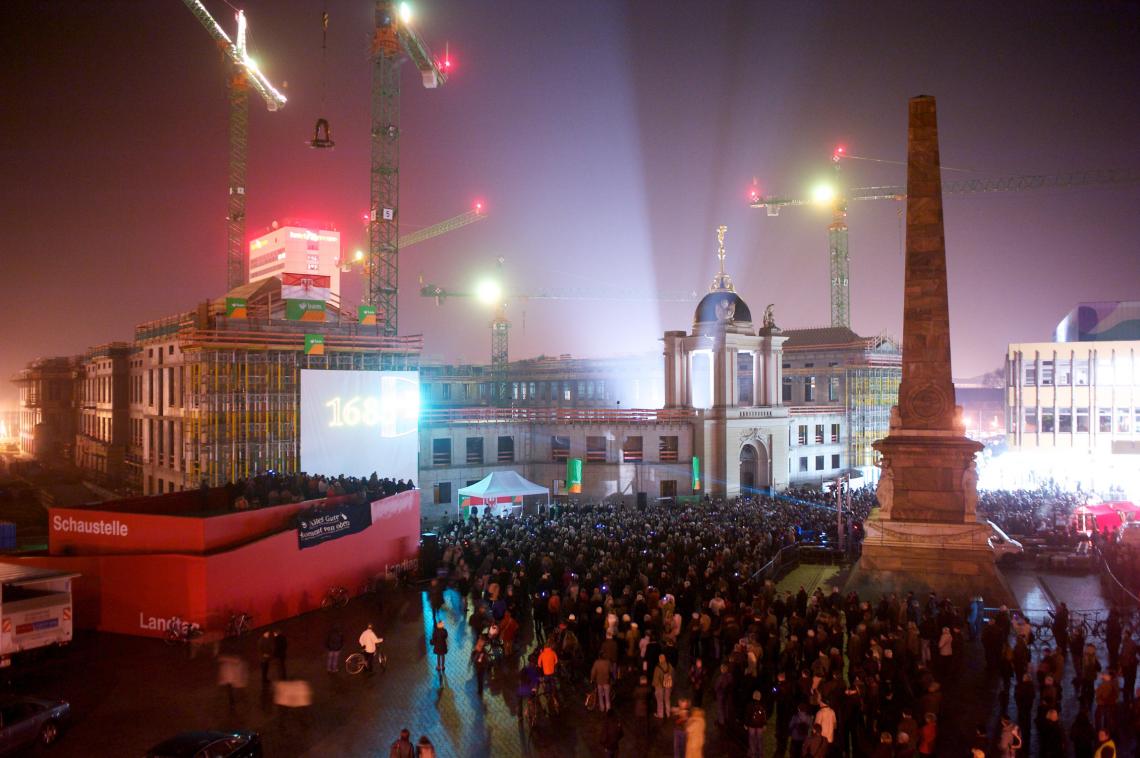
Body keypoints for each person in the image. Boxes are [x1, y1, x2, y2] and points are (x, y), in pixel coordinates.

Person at [746, 690, 767, 758]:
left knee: (752, 740)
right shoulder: (762, 705)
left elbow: (747, 715)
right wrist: (764, 724)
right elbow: (764, 716)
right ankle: (760, 755)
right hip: (760, 726)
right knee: (760, 740)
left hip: (751, 726)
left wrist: (746, 724)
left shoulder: (749, 705)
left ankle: (753, 754)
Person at [654, 653, 675, 719]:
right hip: (668, 685)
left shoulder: (657, 668)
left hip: (659, 687)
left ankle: (660, 714)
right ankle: (668, 713)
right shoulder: (669, 666)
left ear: (660, 659)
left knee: (660, 701)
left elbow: (655, 679)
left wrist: (655, 687)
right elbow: (673, 675)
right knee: (667, 700)